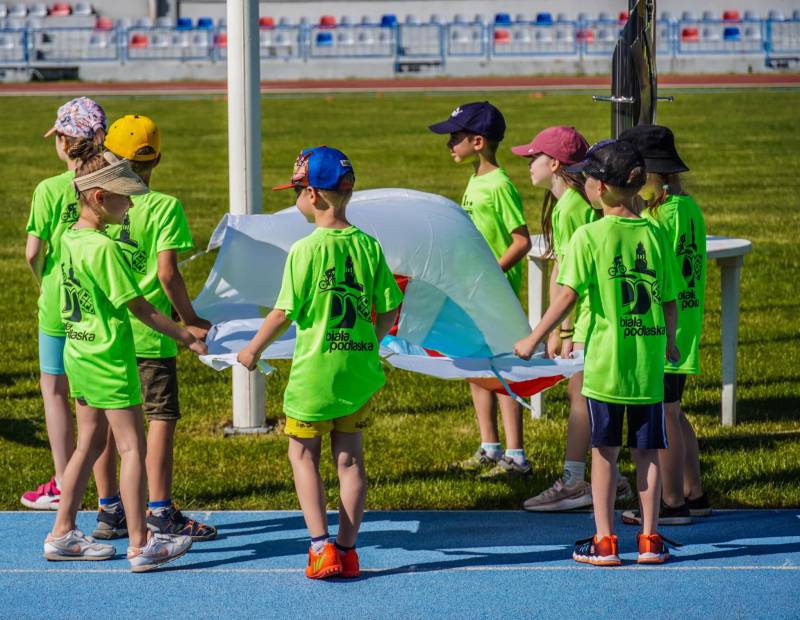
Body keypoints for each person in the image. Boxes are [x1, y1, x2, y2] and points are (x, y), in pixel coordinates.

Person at [237, 146, 403, 579]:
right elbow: (389, 307)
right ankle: (348, 551)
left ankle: (319, 548)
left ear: (312, 194)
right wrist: (369, 341)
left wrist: (252, 349)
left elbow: (283, 312)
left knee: (303, 455)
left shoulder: (305, 250)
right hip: (357, 372)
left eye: (296, 190)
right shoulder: (368, 245)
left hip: (314, 375)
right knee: (350, 460)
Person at [515, 141, 680, 565]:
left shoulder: (589, 236)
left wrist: (534, 338)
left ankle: (605, 541)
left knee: (604, 452)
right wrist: (671, 341)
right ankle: (649, 539)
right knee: (647, 452)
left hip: (607, 362)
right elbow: (669, 299)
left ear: (601, 187)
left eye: (587, 178)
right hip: (647, 363)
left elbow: (567, 295)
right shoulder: (655, 233)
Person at [43, 149, 206, 572]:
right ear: (99, 198)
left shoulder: (69, 238)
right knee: (132, 447)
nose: (131, 204)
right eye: (124, 197)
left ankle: (62, 532)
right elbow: (140, 307)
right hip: (109, 360)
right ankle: (141, 543)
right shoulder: (103, 248)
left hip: (79, 353)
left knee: (89, 443)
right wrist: (185, 335)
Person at [89, 115, 216, 541]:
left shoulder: (96, 202)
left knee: (108, 422)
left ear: (109, 157)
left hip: (106, 333)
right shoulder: (164, 206)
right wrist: (189, 318)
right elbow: (167, 274)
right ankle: (159, 509)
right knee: (160, 418)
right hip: (153, 333)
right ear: (157, 159)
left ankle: (109, 509)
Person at [511, 126, 634, 510]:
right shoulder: (571, 204)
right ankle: (611, 479)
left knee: (582, 395)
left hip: (588, 319)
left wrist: (562, 332)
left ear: (554, 164)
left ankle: (574, 480)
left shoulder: (570, 208)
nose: (529, 164)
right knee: (583, 395)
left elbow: (572, 278)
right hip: (586, 316)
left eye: (534, 157)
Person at [428, 101, 533, 478]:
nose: (449, 144)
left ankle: (516, 455)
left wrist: (490, 274)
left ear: (477, 141)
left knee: (502, 371)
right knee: (475, 365)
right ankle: (490, 447)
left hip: (493, 295)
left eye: (454, 137)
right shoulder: (475, 179)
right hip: (472, 292)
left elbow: (521, 241)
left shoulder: (499, 184)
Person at [618, 124, 710, 525]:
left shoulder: (657, 218)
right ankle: (694, 491)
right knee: (676, 410)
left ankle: (672, 502)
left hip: (666, 330)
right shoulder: (688, 207)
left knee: (665, 414)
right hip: (686, 323)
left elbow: (654, 275)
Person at [22, 97, 107, 510]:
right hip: (98, 301)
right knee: (93, 396)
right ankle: (106, 487)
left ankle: (62, 481)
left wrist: (44, 283)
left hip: (59, 302)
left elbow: (32, 253)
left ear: (63, 141)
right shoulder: (109, 183)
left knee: (54, 390)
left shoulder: (49, 189)